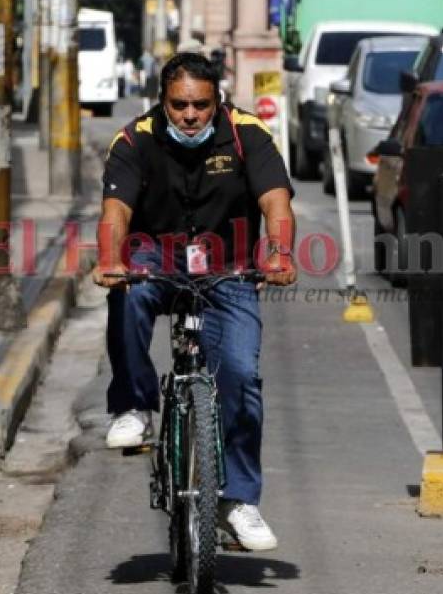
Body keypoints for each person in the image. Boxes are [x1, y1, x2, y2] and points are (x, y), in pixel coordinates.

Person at [93, 52, 297, 551]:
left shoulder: (248, 134)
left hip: (226, 266)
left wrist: (279, 253)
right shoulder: (135, 138)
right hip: (155, 257)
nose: (189, 116)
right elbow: (115, 210)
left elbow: (276, 202)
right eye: (179, 105)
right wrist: (108, 259)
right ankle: (134, 406)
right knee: (130, 295)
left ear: (217, 102)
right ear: (163, 102)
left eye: (200, 106)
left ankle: (238, 500)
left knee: (242, 376)